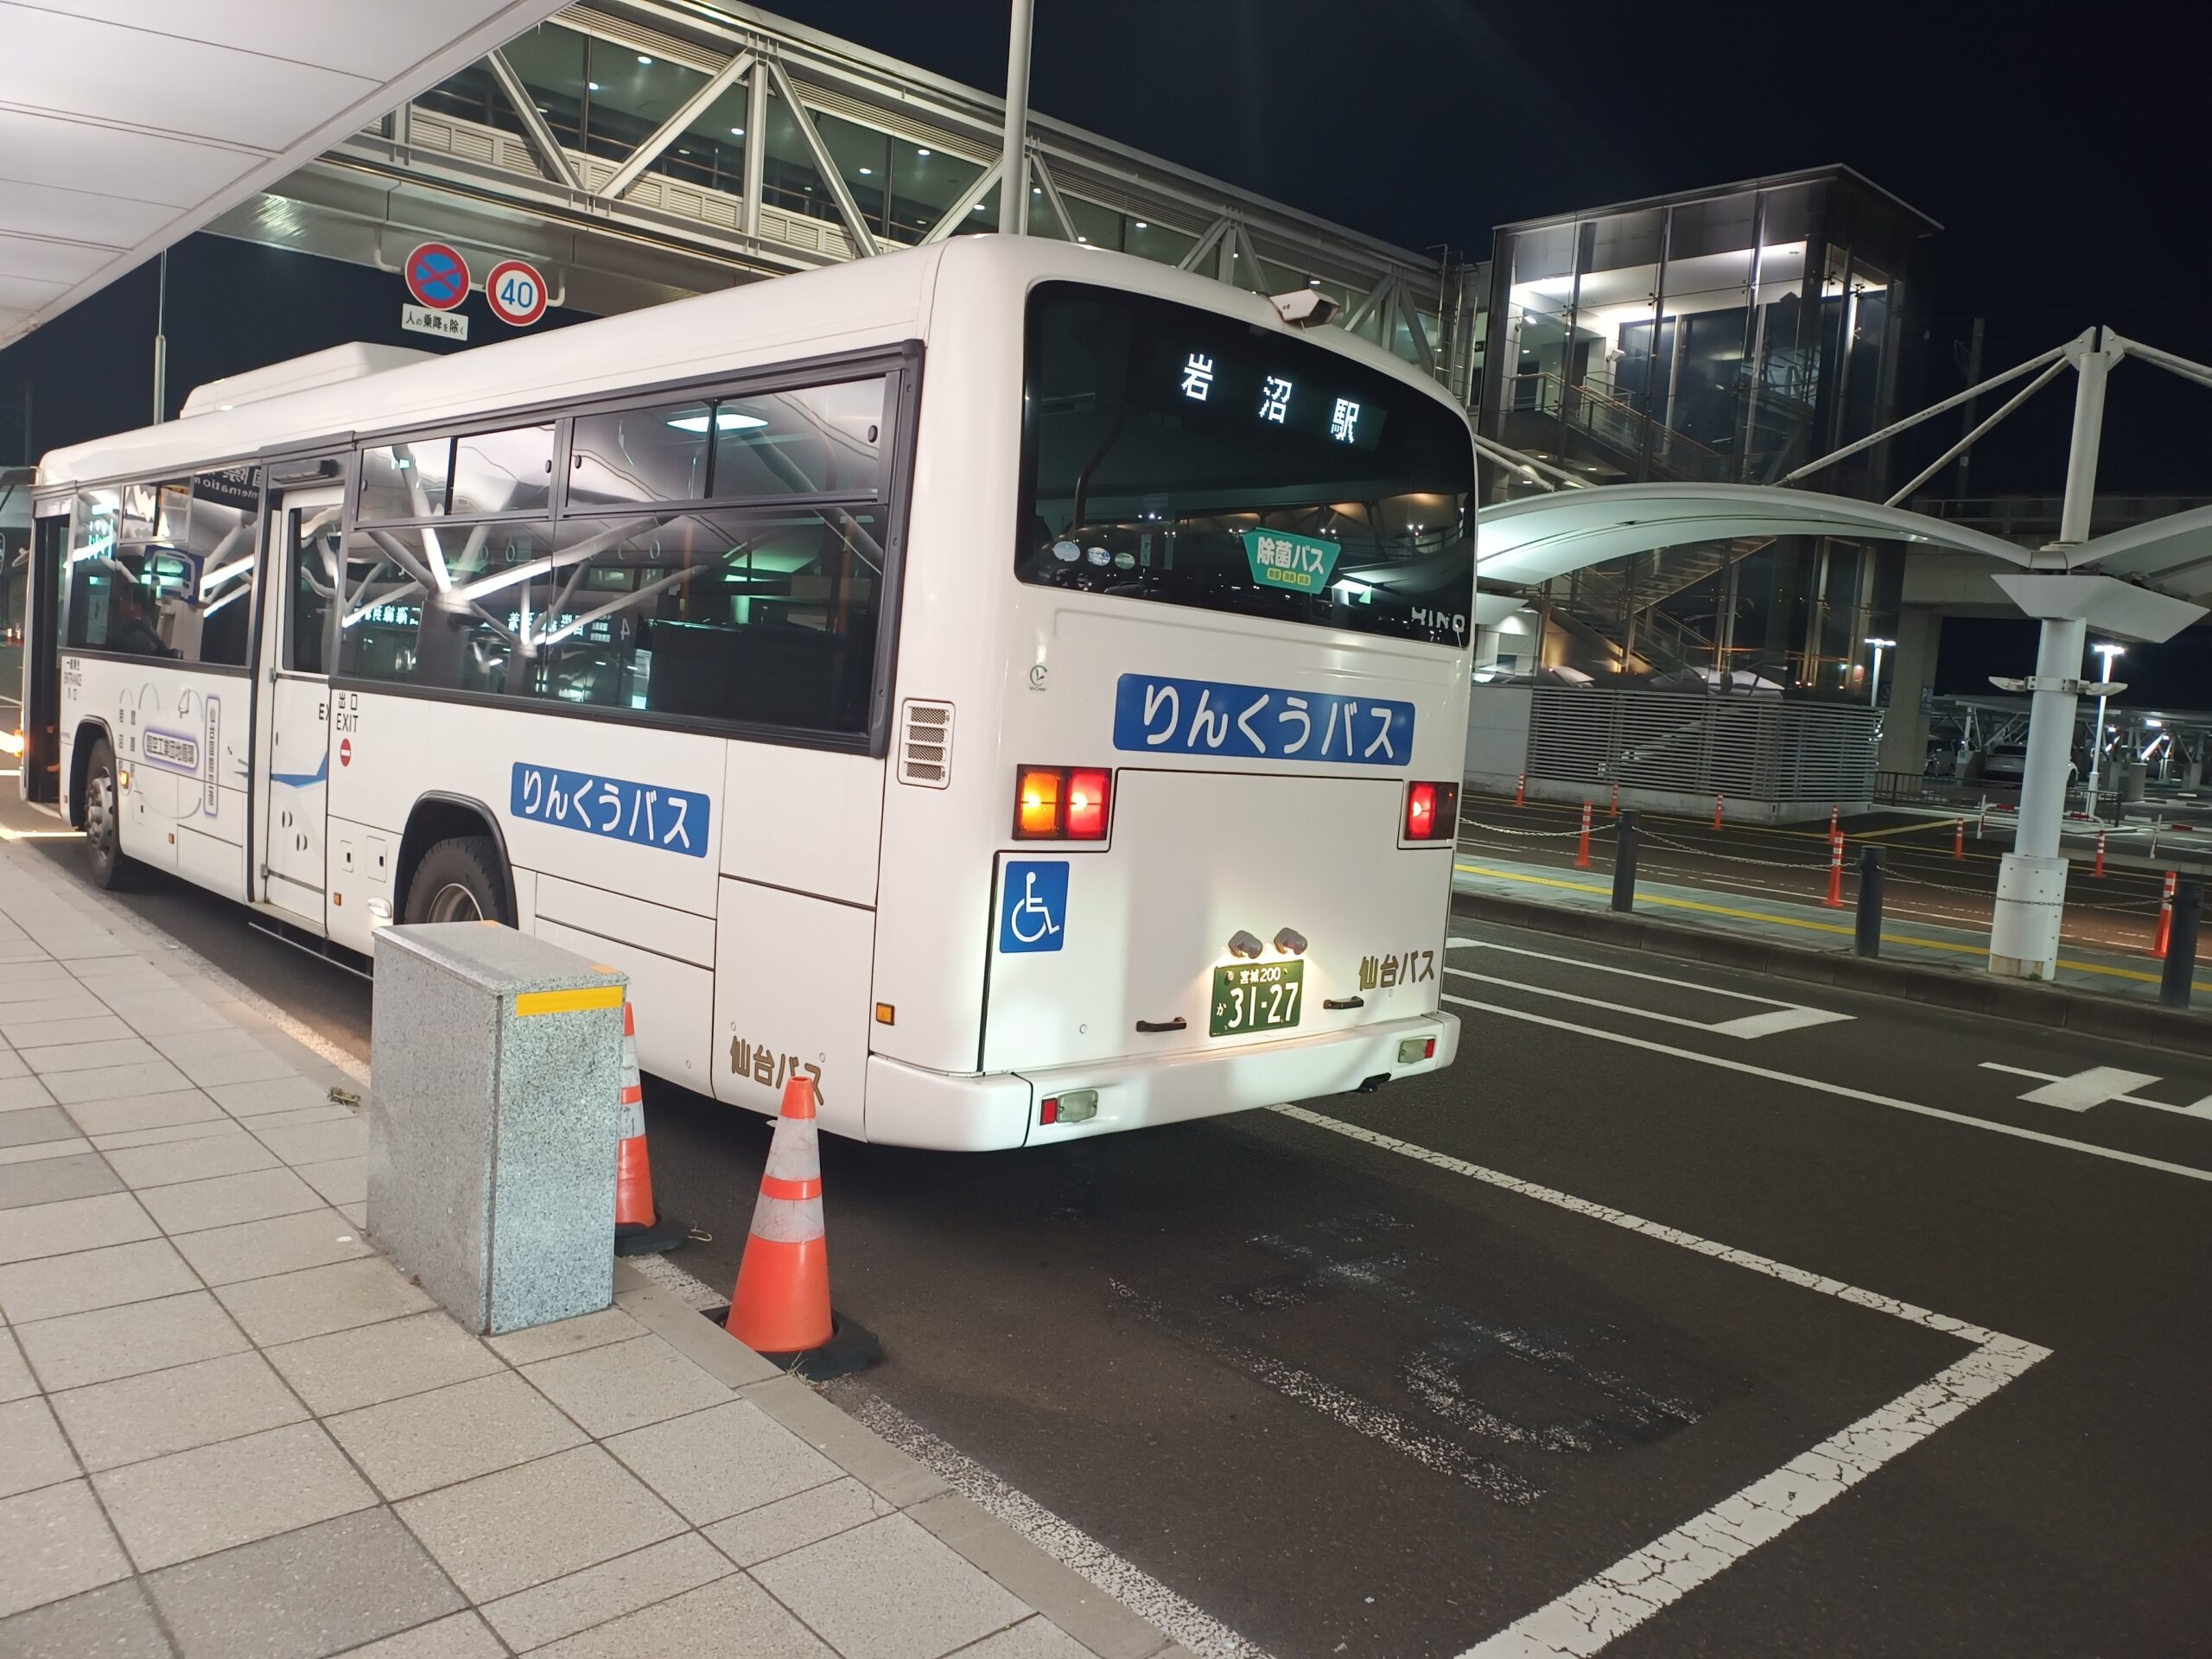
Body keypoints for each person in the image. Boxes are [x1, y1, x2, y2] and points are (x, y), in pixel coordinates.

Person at [105, 577, 173, 658]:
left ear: (136, 607)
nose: (119, 602)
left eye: (123, 599)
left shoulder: (137, 640)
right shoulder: (146, 631)